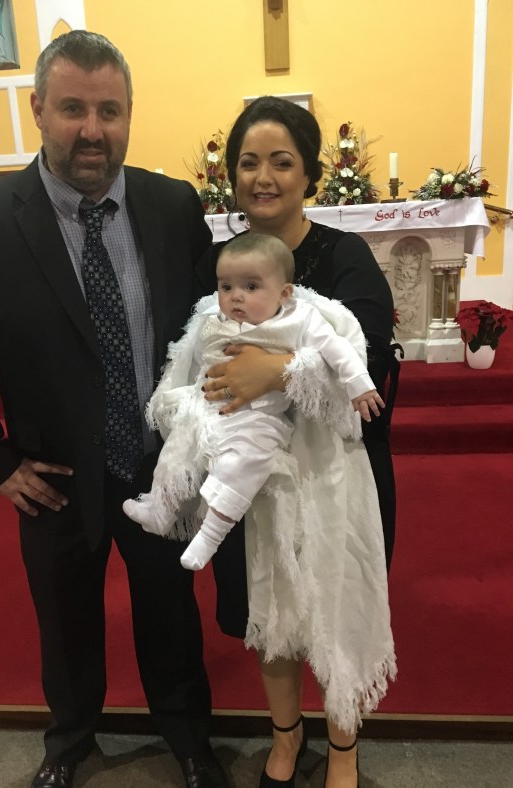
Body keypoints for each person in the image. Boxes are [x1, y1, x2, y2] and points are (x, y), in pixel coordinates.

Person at [0, 31, 229, 788]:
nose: (93, 130)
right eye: (72, 110)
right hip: (52, 475)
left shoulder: (172, 206)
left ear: (128, 114)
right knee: (64, 622)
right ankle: (69, 742)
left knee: (171, 610)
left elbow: (207, 328)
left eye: (109, 111)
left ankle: (190, 740)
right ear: (37, 110)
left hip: (158, 464)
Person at [196, 97, 399, 787]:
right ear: (231, 175)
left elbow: (369, 362)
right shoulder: (220, 260)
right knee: (271, 613)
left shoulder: (343, 256)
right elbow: (197, 346)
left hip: (334, 477)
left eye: (281, 162)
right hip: (252, 478)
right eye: (248, 162)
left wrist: (273, 371)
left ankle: (343, 748)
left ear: (309, 172)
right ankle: (285, 737)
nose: (263, 177)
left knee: (335, 610)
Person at [123, 232, 385, 573]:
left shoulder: (299, 318)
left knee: (240, 467)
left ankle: (209, 537)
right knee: (177, 452)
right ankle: (160, 508)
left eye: (250, 286)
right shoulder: (214, 318)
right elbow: (193, 357)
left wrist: (360, 386)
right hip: (207, 409)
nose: (236, 296)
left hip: (257, 417)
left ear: (284, 293)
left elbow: (338, 350)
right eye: (226, 286)